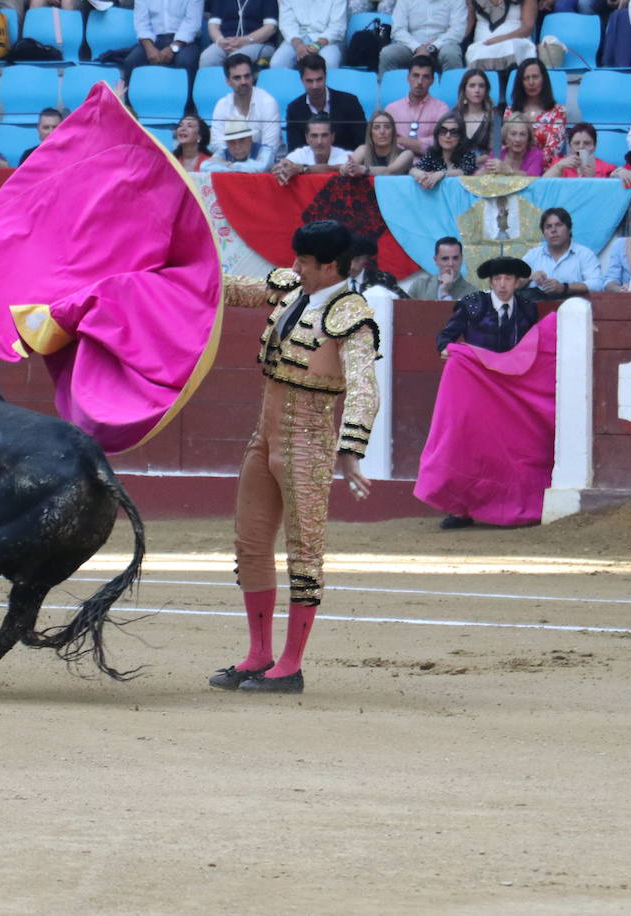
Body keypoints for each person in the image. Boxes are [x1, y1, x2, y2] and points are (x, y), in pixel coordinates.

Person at [209, 219, 378, 694]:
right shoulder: (290, 288)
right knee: (251, 543)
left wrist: (349, 452)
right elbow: (231, 290)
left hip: (308, 442)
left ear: (330, 266)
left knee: (304, 552)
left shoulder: (353, 315)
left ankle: (290, 664)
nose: (295, 268)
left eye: (304, 262)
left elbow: (365, 390)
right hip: (264, 437)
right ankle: (258, 655)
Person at [430, 254, 540, 530]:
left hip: (511, 390)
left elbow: (534, 345)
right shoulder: (472, 305)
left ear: (517, 283)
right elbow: (445, 337)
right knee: (470, 447)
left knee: (512, 448)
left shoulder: (527, 309)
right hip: (478, 387)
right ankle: (462, 510)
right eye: (498, 279)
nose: (502, 285)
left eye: (508, 279)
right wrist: (450, 353)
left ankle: (511, 507)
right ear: (490, 282)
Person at [284, 52, 366, 152]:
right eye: (309, 81)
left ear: (325, 77)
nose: (315, 86)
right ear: (302, 80)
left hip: (347, 164)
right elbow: (295, 151)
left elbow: (363, 143)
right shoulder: (294, 109)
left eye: (319, 80)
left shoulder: (349, 102)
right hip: (310, 166)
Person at [207, 53, 282, 155]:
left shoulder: (268, 103)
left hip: (263, 166)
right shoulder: (222, 105)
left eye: (247, 76)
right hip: (229, 164)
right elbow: (217, 144)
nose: (243, 82)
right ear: (228, 81)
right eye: (237, 78)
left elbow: (270, 150)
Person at [523, 206, 604, 296]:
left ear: (569, 229)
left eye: (559, 225)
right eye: (548, 227)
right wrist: (530, 277)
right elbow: (512, 283)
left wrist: (564, 287)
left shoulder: (584, 254)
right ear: (543, 233)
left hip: (574, 308)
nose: (553, 230)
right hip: (537, 308)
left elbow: (597, 284)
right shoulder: (533, 255)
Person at [378, 0, 467, 75]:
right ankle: (390, 94)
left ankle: (452, 94)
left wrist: (433, 46)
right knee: (388, 54)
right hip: (411, 44)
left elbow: (458, 30)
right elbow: (397, 30)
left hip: (443, 44)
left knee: (451, 54)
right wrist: (417, 47)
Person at [383, 54, 447, 156]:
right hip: (396, 163)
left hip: (430, 166)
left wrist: (400, 140)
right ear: (408, 78)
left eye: (425, 77)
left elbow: (440, 143)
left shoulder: (441, 108)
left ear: (432, 80)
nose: (419, 82)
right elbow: (384, 142)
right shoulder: (392, 109)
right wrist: (422, 143)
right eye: (416, 76)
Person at [506, 58, 565, 165]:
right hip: (513, 169)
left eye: (535, 77)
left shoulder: (558, 111)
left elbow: (553, 150)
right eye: (526, 78)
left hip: (544, 171)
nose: (531, 82)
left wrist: (530, 165)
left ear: (544, 79)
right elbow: (505, 145)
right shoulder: (510, 111)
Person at [121, 0, 203, 77]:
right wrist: (149, 48)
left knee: (185, 62)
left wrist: (173, 48)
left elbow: (193, 22)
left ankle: (188, 92)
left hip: (184, 41)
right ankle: (127, 92)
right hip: (153, 40)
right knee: (131, 62)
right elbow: (141, 23)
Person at [200, 0, 278, 71]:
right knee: (208, 58)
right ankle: (213, 86)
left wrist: (246, 40)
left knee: (236, 58)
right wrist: (220, 40)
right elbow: (213, 25)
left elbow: (270, 27)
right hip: (226, 42)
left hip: (258, 43)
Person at [272, 112, 348, 183]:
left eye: (324, 135)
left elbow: (342, 167)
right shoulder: (299, 155)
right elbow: (283, 166)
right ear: (307, 138)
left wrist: (302, 169)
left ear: (332, 137)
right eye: (314, 136)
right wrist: (281, 168)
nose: (319, 141)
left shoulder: (345, 156)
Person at [269, 0, 344, 70]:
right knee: (277, 64)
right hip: (296, 38)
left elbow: (337, 27)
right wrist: (298, 45)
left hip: (327, 40)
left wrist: (317, 45)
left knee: (329, 63)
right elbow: (287, 24)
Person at [409, 111, 480, 185]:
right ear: (437, 134)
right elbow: (414, 169)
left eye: (454, 132)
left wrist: (442, 174)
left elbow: (464, 171)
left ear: (461, 137)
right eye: (443, 131)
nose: (447, 136)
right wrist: (420, 174)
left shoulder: (468, 154)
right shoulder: (432, 153)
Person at [466, 0, 536, 70]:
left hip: (514, 43)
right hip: (481, 47)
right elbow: (469, 22)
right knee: (473, 51)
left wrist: (502, 39)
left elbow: (527, 28)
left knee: (509, 47)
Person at [341, 109, 415, 176]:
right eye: (376, 127)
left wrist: (362, 169)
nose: (382, 132)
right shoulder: (363, 149)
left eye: (387, 127)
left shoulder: (406, 154)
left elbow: (389, 172)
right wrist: (347, 168)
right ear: (370, 133)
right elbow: (344, 169)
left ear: (393, 132)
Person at [408, 235, 478, 300]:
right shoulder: (419, 286)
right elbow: (405, 311)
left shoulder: (473, 293)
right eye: (445, 258)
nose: (450, 263)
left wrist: (443, 291)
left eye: (455, 258)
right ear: (435, 260)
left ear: (461, 259)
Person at [201, 117, 276, 170]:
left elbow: (260, 167)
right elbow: (204, 166)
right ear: (226, 143)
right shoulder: (223, 152)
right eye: (232, 142)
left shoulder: (264, 150)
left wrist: (228, 165)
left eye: (242, 140)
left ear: (250, 139)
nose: (237, 146)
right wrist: (229, 165)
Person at [454, 68, 499, 155]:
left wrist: (476, 161)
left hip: (486, 165)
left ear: (486, 90)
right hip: (457, 164)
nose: (477, 90)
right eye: (472, 86)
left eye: (481, 86)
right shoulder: (454, 115)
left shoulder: (495, 115)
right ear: (464, 89)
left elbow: (496, 151)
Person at [547, 122, 619, 177]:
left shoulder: (606, 168)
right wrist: (558, 167)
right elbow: (542, 186)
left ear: (595, 146)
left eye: (587, 143)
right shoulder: (559, 163)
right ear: (570, 146)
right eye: (576, 143)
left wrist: (594, 179)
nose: (581, 147)